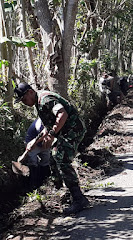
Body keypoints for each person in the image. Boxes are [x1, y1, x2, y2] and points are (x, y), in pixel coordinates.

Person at [14, 82, 89, 215]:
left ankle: (79, 199)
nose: (24, 103)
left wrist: (53, 133)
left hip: (73, 129)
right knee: (53, 160)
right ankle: (63, 191)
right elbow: (47, 128)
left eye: (24, 99)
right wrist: (34, 141)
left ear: (30, 92)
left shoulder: (45, 99)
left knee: (61, 158)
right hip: (65, 132)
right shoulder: (39, 103)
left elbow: (62, 114)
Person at [25, 118, 51, 190]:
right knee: (33, 162)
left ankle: (44, 178)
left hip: (45, 143)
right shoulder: (39, 124)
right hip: (32, 143)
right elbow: (41, 135)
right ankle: (33, 183)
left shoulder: (52, 120)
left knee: (46, 159)